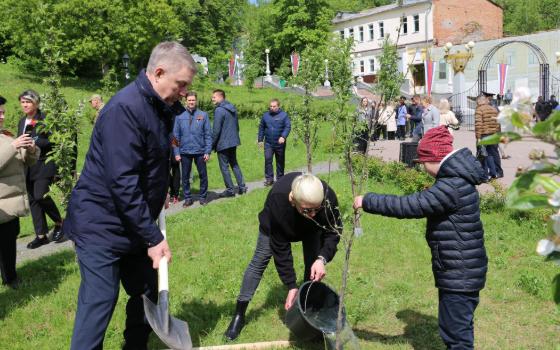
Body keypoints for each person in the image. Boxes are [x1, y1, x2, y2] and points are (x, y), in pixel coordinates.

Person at [62, 41, 196, 350]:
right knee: (100, 299)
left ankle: (135, 346)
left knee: (147, 289)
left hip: (132, 223)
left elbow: (149, 162)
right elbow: (122, 182)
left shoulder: (158, 107)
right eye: (181, 85)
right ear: (158, 72)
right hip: (101, 223)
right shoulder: (125, 109)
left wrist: (158, 193)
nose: (184, 93)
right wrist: (153, 238)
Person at [354, 126, 488, 350]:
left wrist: (367, 201)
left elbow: (409, 205)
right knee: (459, 326)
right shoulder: (457, 179)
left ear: (435, 158)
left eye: (424, 162)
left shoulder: (450, 186)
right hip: (461, 270)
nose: (423, 168)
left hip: (459, 274)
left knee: (456, 334)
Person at [224, 172, 342, 341]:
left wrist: (321, 258)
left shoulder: (327, 197)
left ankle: (308, 312)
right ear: (293, 199)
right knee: (259, 262)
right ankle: (239, 315)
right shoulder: (279, 199)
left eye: (317, 209)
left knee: (313, 268)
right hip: (276, 225)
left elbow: (333, 232)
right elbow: (280, 248)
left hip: (311, 230)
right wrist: (291, 285)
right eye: (307, 210)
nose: (313, 214)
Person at [0, 96, 40, 288]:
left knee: (8, 242)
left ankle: (10, 277)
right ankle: (10, 278)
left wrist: (30, 149)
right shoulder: (9, 141)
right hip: (1, 204)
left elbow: (25, 161)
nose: (2, 116)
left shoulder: (5, 136)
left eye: (3, 112)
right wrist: (13, 146)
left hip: (11, 203)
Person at [17, 89, 64, 248]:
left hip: (44, 163)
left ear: (36, 103)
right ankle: (41, 235)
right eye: (22, 102)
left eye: (28, 102)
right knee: (33, 201)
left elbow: (54, 141)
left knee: (40, 195)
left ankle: (59, 222)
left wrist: (35, 143)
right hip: (28, 166)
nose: (25, 105)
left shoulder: (44, 119)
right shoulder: (21, 122)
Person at [173, 91, 212, 207]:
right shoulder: (179, 116)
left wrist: (207, 151)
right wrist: (176, 152)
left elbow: (208, 135)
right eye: (189, 100)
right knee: (185, 177)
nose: (191, 102)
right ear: (186, 101)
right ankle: (188, 198)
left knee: (203, 175)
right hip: (184, 152)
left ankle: (203, 197)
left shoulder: (203, 115)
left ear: (196, 101)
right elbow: (175, 136)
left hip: (200, 151)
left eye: (193, 100)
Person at [212, 89, 247, 197]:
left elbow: (216, 130)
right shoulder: (232, 107)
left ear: (220, 97)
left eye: (214, 97)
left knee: (224, 167)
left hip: (223, 143)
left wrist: (211, 145)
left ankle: (230, 190)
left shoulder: (219, 110)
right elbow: (237, 126)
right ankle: (242, 187)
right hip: (233, 141)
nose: (212, 99)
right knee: (234, 164)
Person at [258, 99, 291, 186]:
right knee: (268, 160)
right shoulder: (265, 116)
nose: (272, 108)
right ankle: (269, 179)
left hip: (280, 143)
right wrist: (260, 140)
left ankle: (280, 179)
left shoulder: (284, 115)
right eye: (271, 106)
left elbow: (287, 127)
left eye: (274, 106)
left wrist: (283, 136)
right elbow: (261, 128)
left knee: (280, 161)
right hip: (268, 143)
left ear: (278, 106)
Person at [475, 94, 503, 179]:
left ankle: (485, 175)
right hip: (494, 134)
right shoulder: (494, 109)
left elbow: (478, 124)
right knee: (494, 154)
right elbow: (498, 123)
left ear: (479, 101)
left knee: (482, 155)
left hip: (484, 135)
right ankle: (496, 172)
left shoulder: (479, 110)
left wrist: (478, 137)